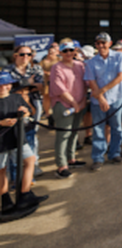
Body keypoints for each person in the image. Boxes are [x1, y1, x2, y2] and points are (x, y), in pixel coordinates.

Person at [0, 72, 46, 219]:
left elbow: (29, 111)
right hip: (1, 139)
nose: (3, 87)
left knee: (30, 160)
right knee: (1, 170)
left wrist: (25, 112)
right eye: (0, 84)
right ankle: (5, 200)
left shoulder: (16, 97)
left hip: (17, 136)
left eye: (6, 84)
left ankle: (24, 194)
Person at [83, 32, 122, 170]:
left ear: (109, 43)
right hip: (98, 101)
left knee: (117, 128)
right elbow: (91, 81)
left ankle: (114, 153)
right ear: (95, 45)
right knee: (98, 130)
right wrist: (101, 98)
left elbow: (121, 77)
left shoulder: (119, 56)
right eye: (98, 43)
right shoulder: (90, 62)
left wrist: (101, 92)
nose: (101, 45)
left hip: (116, 97)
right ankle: (98, 158)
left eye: (104, 43)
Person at [46, 40, 86, 177]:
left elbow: (86, 83)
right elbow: (59, 89)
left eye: (70, 50)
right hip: (64, 105)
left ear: (75, 51)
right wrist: (74, 103)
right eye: (65, 51)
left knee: (74, 133)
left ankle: (71, 159)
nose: (68, 53)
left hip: (79, 105)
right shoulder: (56, 67)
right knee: (63, 135)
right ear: (60, 53)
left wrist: (82, 102)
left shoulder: (80, 65)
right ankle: (61, 165)